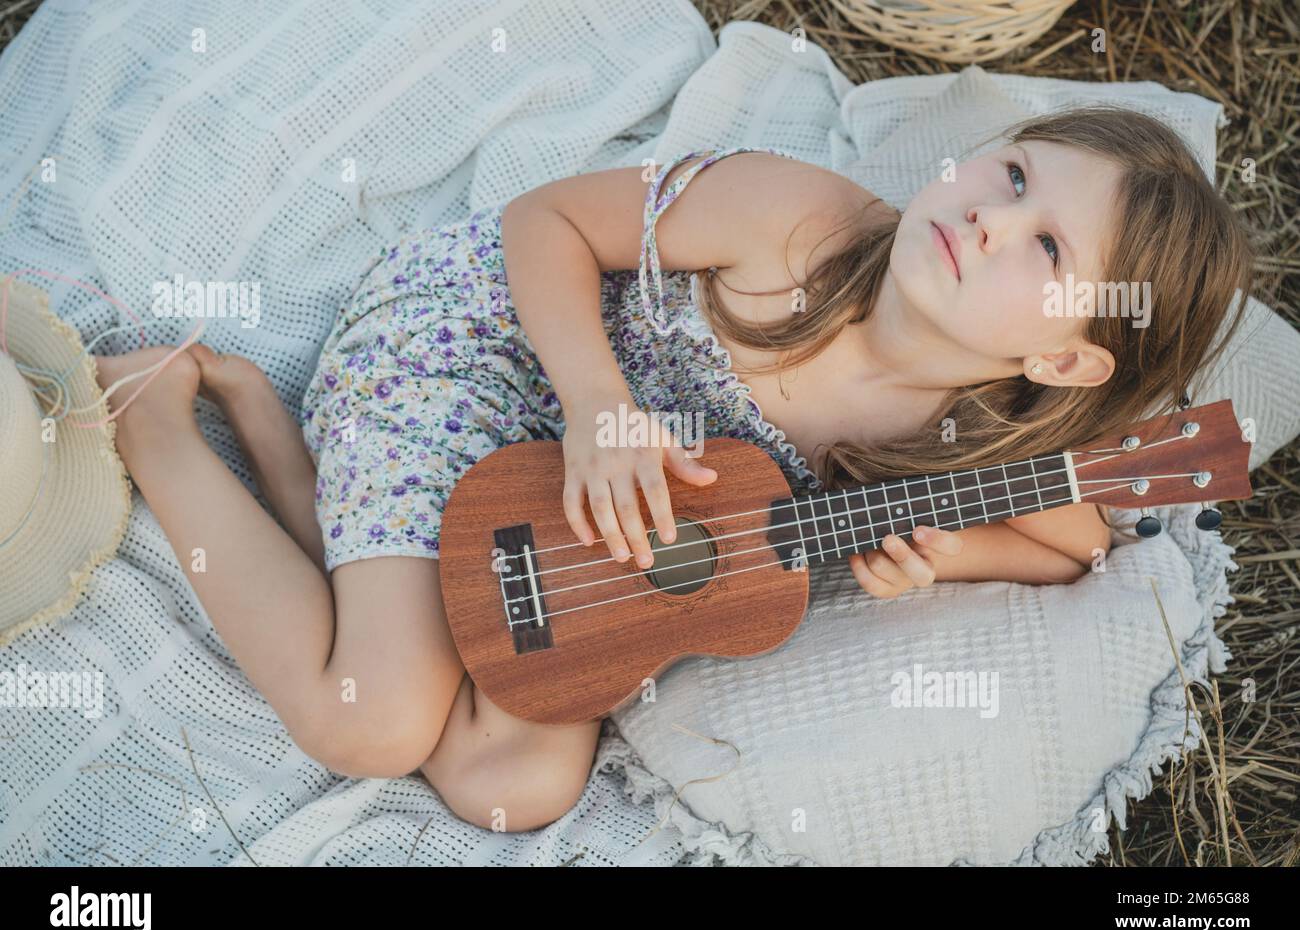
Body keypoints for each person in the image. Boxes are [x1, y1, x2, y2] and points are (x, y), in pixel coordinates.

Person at [93, 105, 1254, 833]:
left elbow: (1078, 538)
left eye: (1047, 244)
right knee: (374, 719)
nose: (993, 218)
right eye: (1011, 173)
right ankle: (161, 421)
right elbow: (543, 220)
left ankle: (303, 480)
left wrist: (948, 550)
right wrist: (599, 403)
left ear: (1059, 355)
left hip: (565, 512)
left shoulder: (971, 427)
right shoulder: (795, 221)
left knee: (517, 783)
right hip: (491, 357)